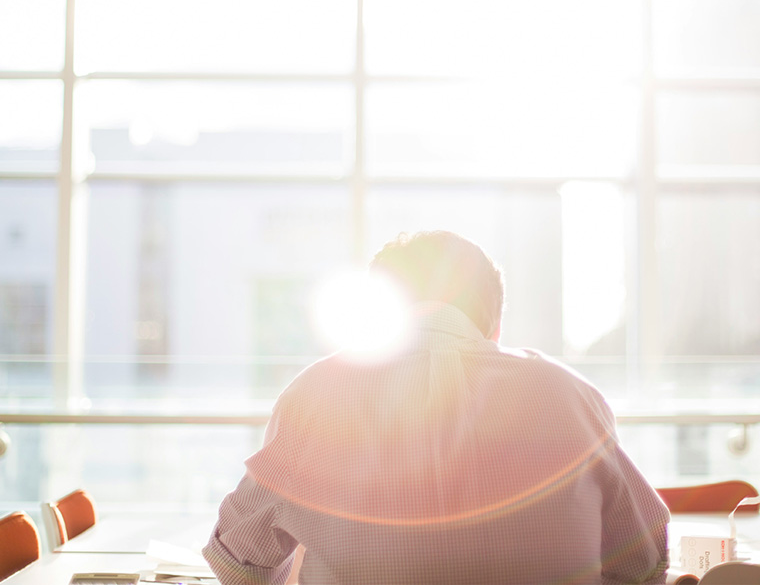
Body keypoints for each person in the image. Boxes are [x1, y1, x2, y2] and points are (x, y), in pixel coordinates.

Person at [203, 230, 669, 585]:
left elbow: (238, 562)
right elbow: (644, 560)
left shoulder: (317, 394)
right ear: (495, 322)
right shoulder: (570, 396)